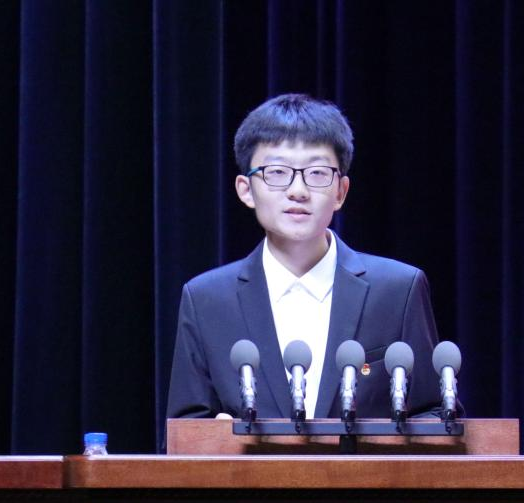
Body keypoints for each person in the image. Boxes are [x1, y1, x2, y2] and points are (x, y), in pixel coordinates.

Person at [166, 93, 443, 421]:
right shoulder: (206, 300)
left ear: (340, 192)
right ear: (246, 189)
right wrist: (215, 439)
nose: (297, 191)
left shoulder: (398, 290)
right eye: (277, 172)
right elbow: (184, 429)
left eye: (317, 173)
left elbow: (434, 413)